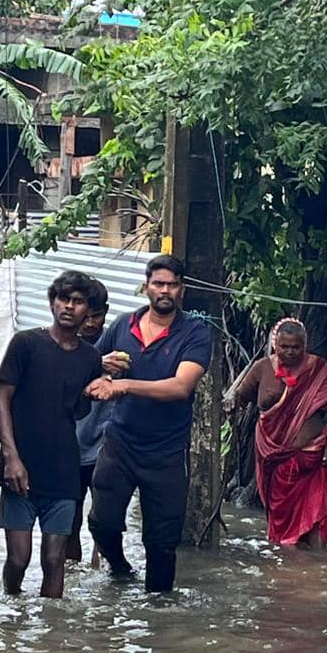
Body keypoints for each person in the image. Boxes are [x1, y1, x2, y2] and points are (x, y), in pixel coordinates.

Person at [86, 254, 211, 592]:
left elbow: (180, 387)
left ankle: (159, 619)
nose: (165, 290)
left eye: (172, 284)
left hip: (167, 452)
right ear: (147, 287)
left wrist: (123, 386)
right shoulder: (122, 326)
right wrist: (101, 365)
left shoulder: (195, 333)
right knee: (102, 522)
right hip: (120, 443)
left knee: (161, 542)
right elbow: (89, 368)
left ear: (181, 289)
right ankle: (121, 568)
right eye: (158, 284)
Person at [0, 271, 103, 597]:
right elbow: (1, 400)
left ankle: (52, 633)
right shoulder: (26, 344)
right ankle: (11, 612)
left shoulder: (90, 358)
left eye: (78, 301)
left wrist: (93, 392)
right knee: (18, 559)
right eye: (63, 298)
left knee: (55, 560)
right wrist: (11, 457)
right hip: (20, 469)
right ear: (53, 302)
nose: (69, 306)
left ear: (88, 310)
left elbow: (77, 412)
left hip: (64, 471)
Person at [227, 318, 327, 548]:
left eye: (296, 347)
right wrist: (231, 403)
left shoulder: (318, 369)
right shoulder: (261, 368)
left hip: (313, 457)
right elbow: (240, 398)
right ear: (275, 345)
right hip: (274, 459)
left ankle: (317, 571)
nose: (290, 352)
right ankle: (286, 571)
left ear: (305, 346)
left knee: (316, 518)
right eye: (284, 347)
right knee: (282, 528)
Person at [67, 276, 110, 564]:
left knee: (104, 522)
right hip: (69, 448)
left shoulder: (119, 343)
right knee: (69, 523)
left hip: (107, 449)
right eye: (87, 315)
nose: (91, 322)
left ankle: (101, 577)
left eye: (98, 316)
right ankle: (69, 575)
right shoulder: (61, 346)